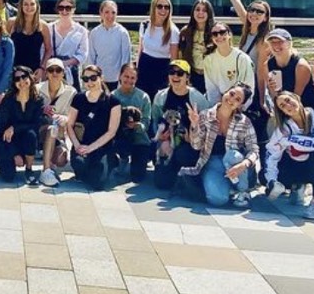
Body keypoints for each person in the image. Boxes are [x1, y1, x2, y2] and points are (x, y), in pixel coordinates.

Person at [179, 83, 258, 208]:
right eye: (231, 94)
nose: (231, 99)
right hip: (213, 162)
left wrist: (244, 164)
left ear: (240, 105)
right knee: (218, 200)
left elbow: (254, 149)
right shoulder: (205, 115)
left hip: (235, 163)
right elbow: (196, 146)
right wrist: (195, 125)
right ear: (225, 92)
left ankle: (243, 190)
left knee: (234, 155)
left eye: (237, 99)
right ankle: (229, 189)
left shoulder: (244, 122)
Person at [264, 90, 314, 219]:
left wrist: (291, 140)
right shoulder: (283, 128)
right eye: (283, 106)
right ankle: (296, 186)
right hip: (294, 167)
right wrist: (272, 181)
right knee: (263, 176)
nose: (288, 106)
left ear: (296, 98)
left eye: (288, 100)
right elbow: (272, 153)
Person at [152, 60, 209, 191]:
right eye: (172, 72)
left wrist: (195, 136)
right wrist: (160, 137)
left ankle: (189, 174)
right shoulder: (161, 96)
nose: (175, 76)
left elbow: (209, 124)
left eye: (180, 73)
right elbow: (155, 120)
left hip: (190, 144)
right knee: (161, 184)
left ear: (187, 77)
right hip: (168, 142)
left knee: (183, 154)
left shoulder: (197, 98)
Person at [65, 65, 120, 191]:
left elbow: (112, 132)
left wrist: (91, 148)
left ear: (101, 78)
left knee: (97, 184)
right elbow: (69, 124)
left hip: (101, 146)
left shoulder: (113, 102)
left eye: (93, 78)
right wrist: (77, 145)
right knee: (80, 165)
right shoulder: (78, 98)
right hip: (82, 145)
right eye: (85, 79)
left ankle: (110, 163)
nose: (89, 82)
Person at [0, 66, 42, 184]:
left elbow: (36, 125)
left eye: (24, 77)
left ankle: (29, 170)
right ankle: (13, 160)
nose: (21, 81)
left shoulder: (37, 100)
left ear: (30, 78)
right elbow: (0, 129)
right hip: (8, 142)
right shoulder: (8, 100)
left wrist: (14, 127)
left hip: (26, 140)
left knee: (31, 134)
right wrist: (14, 153)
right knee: (7, 177)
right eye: (17, 79)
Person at [36, 58, 77, 187]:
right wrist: (42, 109)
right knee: (51, 128)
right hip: (39, 131)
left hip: (59, 133)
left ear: (63, 73)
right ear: (46, 73)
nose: (55, 73)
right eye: (51, 70)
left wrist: (66, 118)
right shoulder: (36, 89)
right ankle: (45, 170)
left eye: (58, 70)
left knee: (62, 160)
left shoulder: (71, 92)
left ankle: (50, 162)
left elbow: (73, 116)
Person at [110, 64, 153, 181]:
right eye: (126, 76)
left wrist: (139, 126)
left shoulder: (143, 97)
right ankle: (120, 158)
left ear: (136, 79)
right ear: (120, 76)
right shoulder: (113, 96)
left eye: (132, 77)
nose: (129, 80)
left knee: (138, 176)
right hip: (119, 135)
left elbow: (146, 120)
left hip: (139, 137)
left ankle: (140, 161)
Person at [225, 0, 272, 75]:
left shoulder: (263, 40)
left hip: (252, 81)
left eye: (259, 12)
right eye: (252, 9)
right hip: (242, 76)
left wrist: (261, 92)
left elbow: (261, 71)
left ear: (265, 18)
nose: (254, 14)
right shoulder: (247, 24)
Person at [264, 28, 314, 114]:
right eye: (273, 42)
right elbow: (275, 96)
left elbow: (296, 98)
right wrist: (272, 89)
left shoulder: (301, 66)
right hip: (286, 106)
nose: (276, 45)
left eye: (280, 42)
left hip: (309, 108)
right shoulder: (268, 64)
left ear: (289, 44)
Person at [203, 21, 256, 104]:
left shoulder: (242, 58)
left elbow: (248, 88)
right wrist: (217, 108)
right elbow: (211, 89)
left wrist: (237, 108)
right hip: (219, 104)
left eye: (222, 32)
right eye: (215, 34)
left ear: (229, 35)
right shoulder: (208, 60)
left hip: (238, 104)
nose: (219, 36)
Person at [136, 0, 179, 95]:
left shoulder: (173, 31)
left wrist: (171, 80)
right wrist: (136, 70)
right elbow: (140, 50)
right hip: (144, 68)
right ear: (153, 7)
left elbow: (174, 59)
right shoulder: (145, 25)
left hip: (162, 71)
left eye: (166, 7)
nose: (163, 10)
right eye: (159, 6)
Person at [85, 0, 131, 89]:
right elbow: (91, 57)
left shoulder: (123, 33)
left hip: (117, 80)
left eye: (113, 12)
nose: (110, 16)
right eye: (106, 12)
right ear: (101, 13)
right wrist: (91, 77)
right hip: (98, 80)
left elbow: (126, 59)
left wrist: (122, 80)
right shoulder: (94, 33)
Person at [177, 0, 216, 94]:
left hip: (211, 76)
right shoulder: (185, 32)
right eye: (197, 9)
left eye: (204, 10)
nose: (200, 13)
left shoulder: (215, 32)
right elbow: (180, 55)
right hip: (192, 74)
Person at [49, 0, 90, 88]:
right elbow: (44, 50)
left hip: (71, 72)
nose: (64, 11)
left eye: (68, 8)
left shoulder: (81, 30)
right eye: (61, 8)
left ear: (73, 10)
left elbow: (83, 54)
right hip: (52, 71)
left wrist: (65, 63)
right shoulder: (49, 28)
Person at [10, 0, 51, 81]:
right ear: (21, 6)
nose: (29, 7)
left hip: (34, 72)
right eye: (26, 4)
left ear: (37, 6)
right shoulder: (11, 23)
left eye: (32, 4)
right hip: (13, 70)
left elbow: (48, 50)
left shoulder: (43, 26)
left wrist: (42, 68)